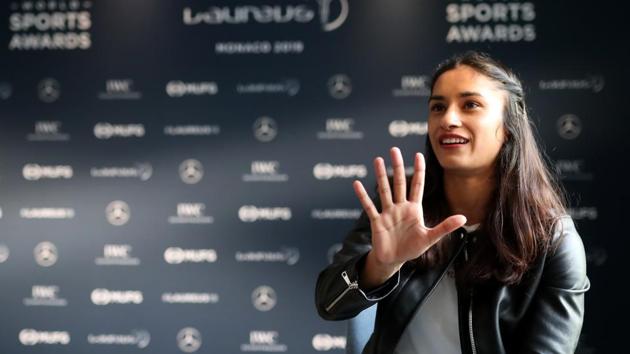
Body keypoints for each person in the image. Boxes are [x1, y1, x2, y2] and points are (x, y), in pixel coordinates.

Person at [315, 51, 590, 354]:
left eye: (470, 105)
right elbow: (330, 305)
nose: (448, 119)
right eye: (438, 107)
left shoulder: (553, 238)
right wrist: (380, 265)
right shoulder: (399, 202)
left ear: (510, 124)